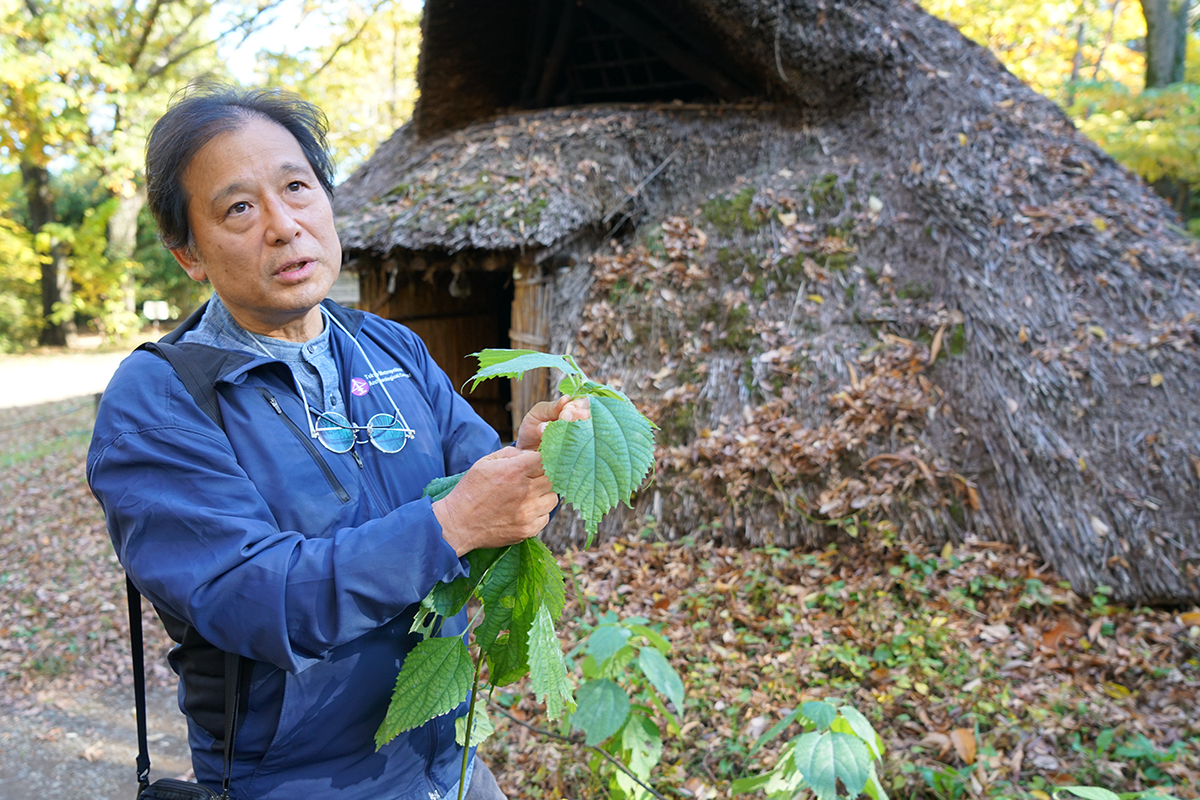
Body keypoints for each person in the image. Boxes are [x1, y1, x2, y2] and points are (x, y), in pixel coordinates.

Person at [86, 84, 587, 800]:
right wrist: (451, 523)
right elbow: (251, 597)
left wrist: (537, 466)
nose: (284, 226)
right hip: (302, 783)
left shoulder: (387, 345)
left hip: (447, 757)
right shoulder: (159, 401)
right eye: (238, 208)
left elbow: (483, 494)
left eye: (297, 187)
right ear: (188, 254)